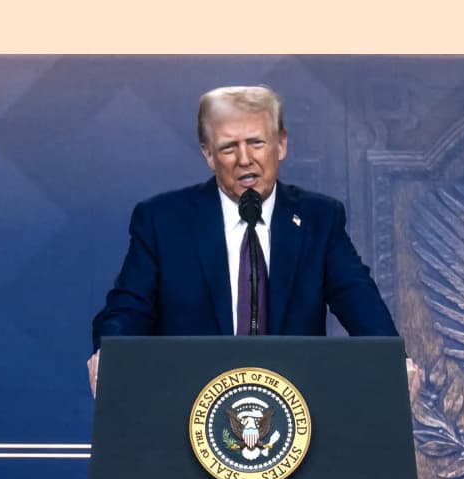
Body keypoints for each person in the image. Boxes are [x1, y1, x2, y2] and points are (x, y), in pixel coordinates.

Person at [87, 85, 414, 397]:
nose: (245, 159)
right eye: (229, 147)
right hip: (187, 410)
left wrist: (391, 360)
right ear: (209, 154)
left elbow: (360, 303)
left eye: (257, 143)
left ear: (281, 145)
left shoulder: (319, 220)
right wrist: (111, 353)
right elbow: (126, 310)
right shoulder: (163, 221)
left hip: (295, 414)